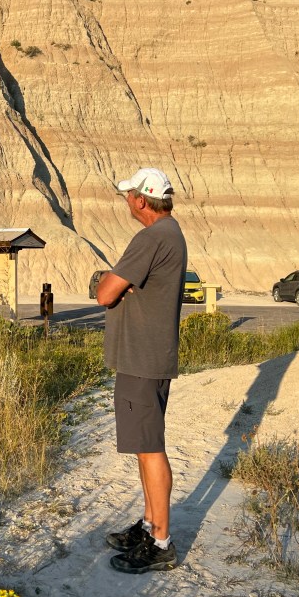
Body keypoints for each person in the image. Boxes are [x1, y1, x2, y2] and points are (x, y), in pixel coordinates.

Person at [95, 167, 187, 574]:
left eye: (129, 196)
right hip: (150, 357)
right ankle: (150, 525)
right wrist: (118, 284)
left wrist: (107, 280)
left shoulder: (151, 238)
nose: (127, 202)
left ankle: (160, 543)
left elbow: (104, 293)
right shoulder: (170, 233)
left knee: (150, 448)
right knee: (144, 443)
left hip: (141, 360)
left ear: (141, 200)